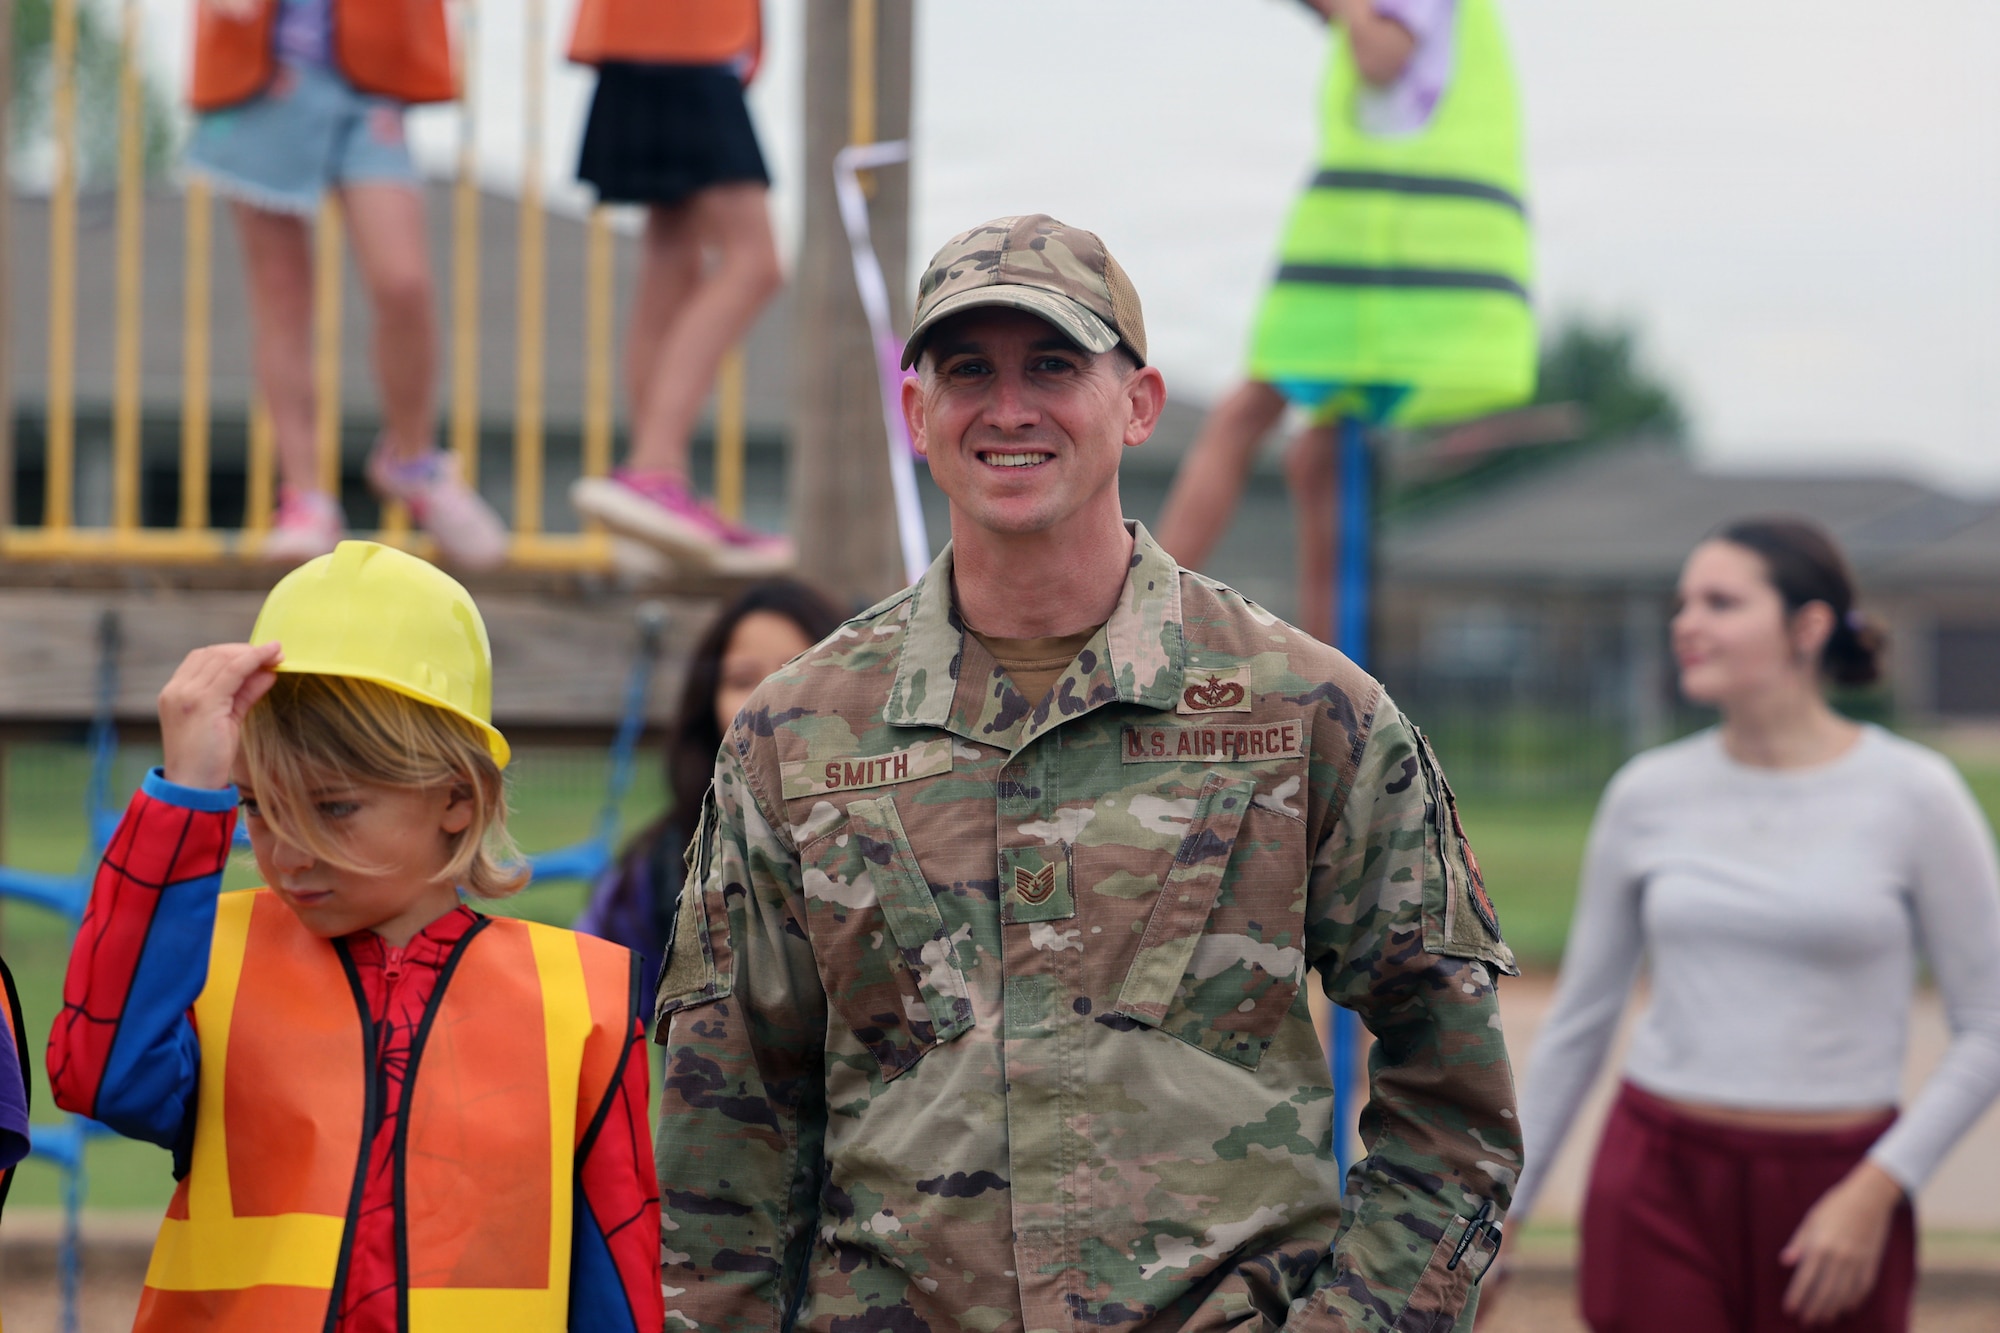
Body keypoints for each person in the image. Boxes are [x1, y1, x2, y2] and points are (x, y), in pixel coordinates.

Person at [652, 214, 1521, 1333]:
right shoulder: (796, 735)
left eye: (1053, 364)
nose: (1008, 407)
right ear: (916, 413)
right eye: (968, 370)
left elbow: (1454, 1105)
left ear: (1138, 403)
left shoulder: (1302, 711)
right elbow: (726, 1133)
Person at [47, 541, 663, 1332]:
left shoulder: (586, 1000)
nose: (288, 852)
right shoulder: (207, 960)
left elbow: (616, 1279)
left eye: (333, 808)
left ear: (457, 798)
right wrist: (186, 795)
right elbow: (97, 1076)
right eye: (260, 808)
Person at [1508, 518, 2000, 1332]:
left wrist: (1881, 1186)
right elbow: (1579, 1024)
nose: (1686, 622)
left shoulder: (1917, 794)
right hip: (1657, 1179)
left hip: (1839, 1187)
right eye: (1683, 601)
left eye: (1721, 601)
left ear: (1807, 627)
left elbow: (1989, 1026)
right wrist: (1507, 1215)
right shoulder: (1646, 792)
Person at [1155, 0, 1532, 641]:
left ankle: (1138, 613)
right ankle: (1335, 678)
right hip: (1424, 273)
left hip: (1372, 267)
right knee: (1318, 455)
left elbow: (1382, 55)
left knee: (1243, 417)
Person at [187, 0, 507, 568]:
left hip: (368, 74)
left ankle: (414, 465)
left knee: (404, 284)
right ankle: (305, 495)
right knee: (282, 297)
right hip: (262, 72)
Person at [565, 0, 791, 573]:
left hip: (646, 34)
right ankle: (653, 472)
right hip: (685, 34)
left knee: (672, 254)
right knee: (755, 260)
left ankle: (658, 497)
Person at [575, 577, 843, 983]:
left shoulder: (894, 845)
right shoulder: (662, 865)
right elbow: (585, 996)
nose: (767, 700)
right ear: (707, 705)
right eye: (741, 679)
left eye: (796, 674)